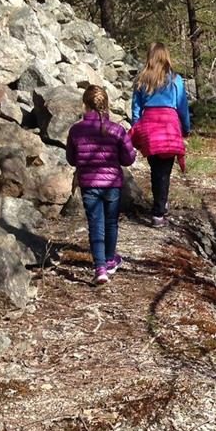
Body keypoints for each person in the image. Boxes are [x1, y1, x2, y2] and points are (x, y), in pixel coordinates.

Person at [66, 85, 136, 285]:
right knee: (111, 222)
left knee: (95, 225)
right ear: (106, 105)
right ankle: (110, 259)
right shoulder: (116, 129)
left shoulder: (76, 130)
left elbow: (71, 159)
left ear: (84, 105)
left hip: (88, 183)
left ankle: (100, 268)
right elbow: (129, 158)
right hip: (112, 183)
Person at [130, 42, 191, 228]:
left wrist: (136, 129)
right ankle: (158, 213)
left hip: (149, 127)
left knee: (157, 169)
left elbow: (136, 108)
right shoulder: (175, 80)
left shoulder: (142, 79)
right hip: (169, 127)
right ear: (166, 57)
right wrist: (186, 128)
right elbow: (182, 107)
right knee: (163, 171)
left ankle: (161, 203)